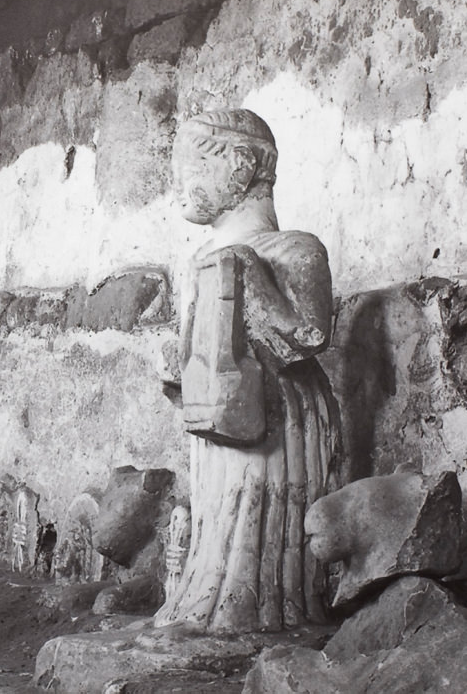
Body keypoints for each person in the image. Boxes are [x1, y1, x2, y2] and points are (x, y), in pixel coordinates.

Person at [154, 109, 341, 633]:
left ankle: (266, 614)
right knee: (218, 511)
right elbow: (194, 349)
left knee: (257, 509)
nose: (177, 183)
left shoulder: (297, 249)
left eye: (190, 166)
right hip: (219, 416)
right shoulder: (204, 256)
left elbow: (310, 336)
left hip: (280, 415)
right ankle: (204, 604)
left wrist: (246, 277)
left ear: (239, 166)